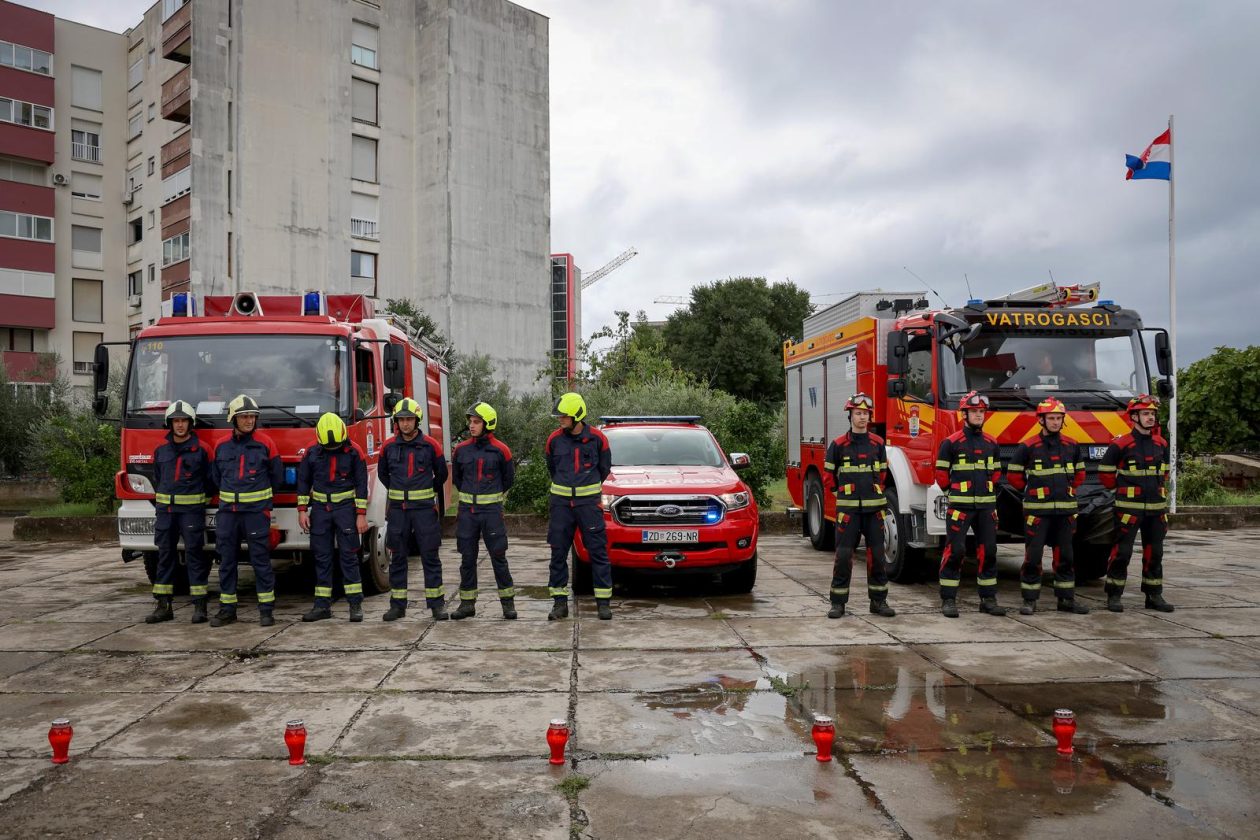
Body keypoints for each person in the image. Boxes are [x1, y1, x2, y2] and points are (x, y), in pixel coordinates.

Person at [1006, 397, 1089, 615]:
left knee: (1066, 558)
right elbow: (1013, 475)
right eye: (1051, 418)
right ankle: (1029, 600)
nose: (1055, 422)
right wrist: (1033, 491)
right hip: (1037, 512)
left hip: (1065, 512)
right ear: (1041, 420)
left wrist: (1066, 491)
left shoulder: (1072, 445)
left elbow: (1080, 475)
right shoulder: (1028, 446)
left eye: (1058, 418)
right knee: (1033, 558)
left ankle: (1066, 600)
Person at [209, 395, 284, 627]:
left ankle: (266, 611)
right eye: (244, 416)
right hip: (228, 515)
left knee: (261, 562)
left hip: (256, 514)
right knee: (227, 563)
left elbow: (277, 478)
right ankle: (227, 610)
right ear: (234, 419)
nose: (249, 420)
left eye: (252, 416)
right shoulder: (221, 446)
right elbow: (215, 478)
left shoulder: (266, 444)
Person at [823, 393, 896, 619]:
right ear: (850, 415)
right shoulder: (838, 445)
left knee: (877, 556)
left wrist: (874, 493)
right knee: (844, 556)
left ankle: (879, 601)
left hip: (874, 511)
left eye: (865, 414)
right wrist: (843, 496)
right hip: (849, 512)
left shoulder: (878, 444)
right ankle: (838, 603)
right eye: (858, 413)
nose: (862, 417)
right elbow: (828, 477)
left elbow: (882, 474)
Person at [1099, 394, 1174, 612]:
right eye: (1145, 414)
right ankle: (1113, 595)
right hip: (1128, 509)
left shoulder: (1161, 443)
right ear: (1134, 417)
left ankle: (1154, 595)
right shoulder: (1121, 444)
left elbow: (1165, 473)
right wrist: (1123, 491)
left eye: (1152, 414)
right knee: (1122, 552)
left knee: (1155, 553)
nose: (1150, 418)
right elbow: (1105, 474)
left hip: (1155, 510)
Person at [935, 391, 1007, 617]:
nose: (978, 415)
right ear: (964, 414)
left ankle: (988, 599)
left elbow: (996, 473)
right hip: (960, 508)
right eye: (974, 412)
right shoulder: (951, 443)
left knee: (989, 551)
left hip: (986, 508)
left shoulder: (991, 443)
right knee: (955, 551)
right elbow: (941, 474)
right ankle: (948, 600)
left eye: (981, 412)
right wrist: (953, 493)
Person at [377, 397, 449, 622]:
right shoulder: (388, 447)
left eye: (409, 419)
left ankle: (437, 605)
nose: (405, 424)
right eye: (401, 420)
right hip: (398, 511)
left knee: (430, 556)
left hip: (424, 510)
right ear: (396, 422)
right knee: (397, 557)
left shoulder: (431, 446)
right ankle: (397, 606)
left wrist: (426, 491)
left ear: (417, 420)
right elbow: (383, 474)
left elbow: (442, 475)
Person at [544, 392, 613, 621]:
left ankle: (603, 604)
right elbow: (552, 468)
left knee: (598, 552)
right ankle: (559, 604)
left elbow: (604, 469)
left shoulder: (598, 439)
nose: (560, 420)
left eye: (564, 416)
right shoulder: (554, 439)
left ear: (576, 416)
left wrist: (586, 489)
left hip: (588, 505)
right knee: (558, 552)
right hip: (561, 505)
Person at [146, 400, 216, 625]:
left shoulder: (202, 450)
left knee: (196, 557)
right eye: (176, 421)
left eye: (184, 421)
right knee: (164, 557)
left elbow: (211, 481)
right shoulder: (161, 450)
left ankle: (200, 606)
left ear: (190, 423)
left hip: (191, 512)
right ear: (170, 423)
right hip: (166, 513)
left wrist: (199, 502)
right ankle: (163, 605)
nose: (180, 425)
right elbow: (158, 478)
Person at [296, 412, 369, 623]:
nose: (332, 451)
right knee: (321, 557)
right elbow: (303, 482)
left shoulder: (355, 452)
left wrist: (361, 516)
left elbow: (361, 486)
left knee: (349, 557)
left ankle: (355, 605)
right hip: (319, 509)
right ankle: (322, 606)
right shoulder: (311, 452)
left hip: (346, 509)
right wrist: (302, 510)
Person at [450, 402, 518, 620]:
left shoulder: (501, 450)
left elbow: (508, 479)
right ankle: (467, 604)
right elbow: (458, 480)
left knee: (499, 556)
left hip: (491, 514)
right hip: (467, 513)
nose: (471, 425)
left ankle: (508, 604)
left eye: (476, 422)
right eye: (470, 421)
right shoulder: (460, 450)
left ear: (488, 424)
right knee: (467, 559)